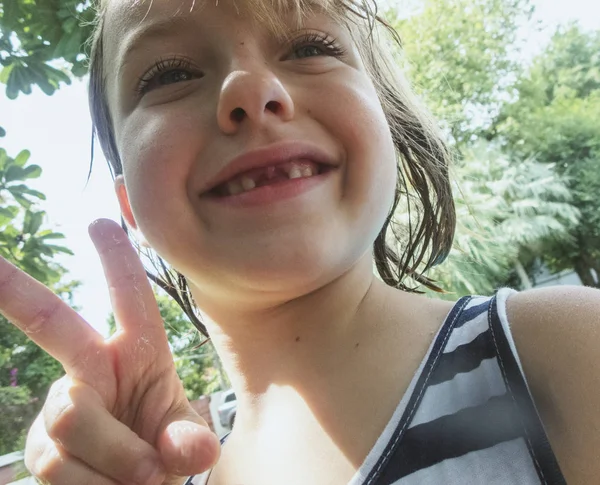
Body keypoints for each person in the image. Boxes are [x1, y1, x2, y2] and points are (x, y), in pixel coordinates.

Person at [0, 0, 598, 483]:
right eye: (170, 75)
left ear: (388, 125)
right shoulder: (163, 473)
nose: (249, 88)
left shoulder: (562, 347)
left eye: (311, 47)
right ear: (129, 205)